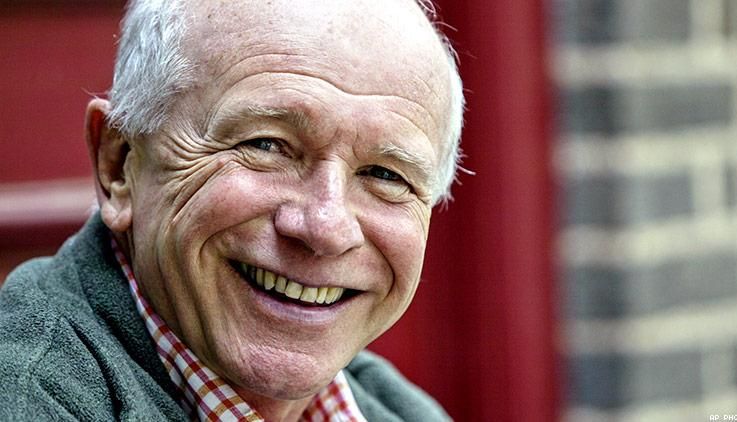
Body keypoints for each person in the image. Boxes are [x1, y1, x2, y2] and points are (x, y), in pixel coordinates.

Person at [0, 0, 464, 420]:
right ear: (118, 165)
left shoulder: (401, 410)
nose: (326, 227)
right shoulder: (25, 396)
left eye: (385, 175)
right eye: (266, 145)